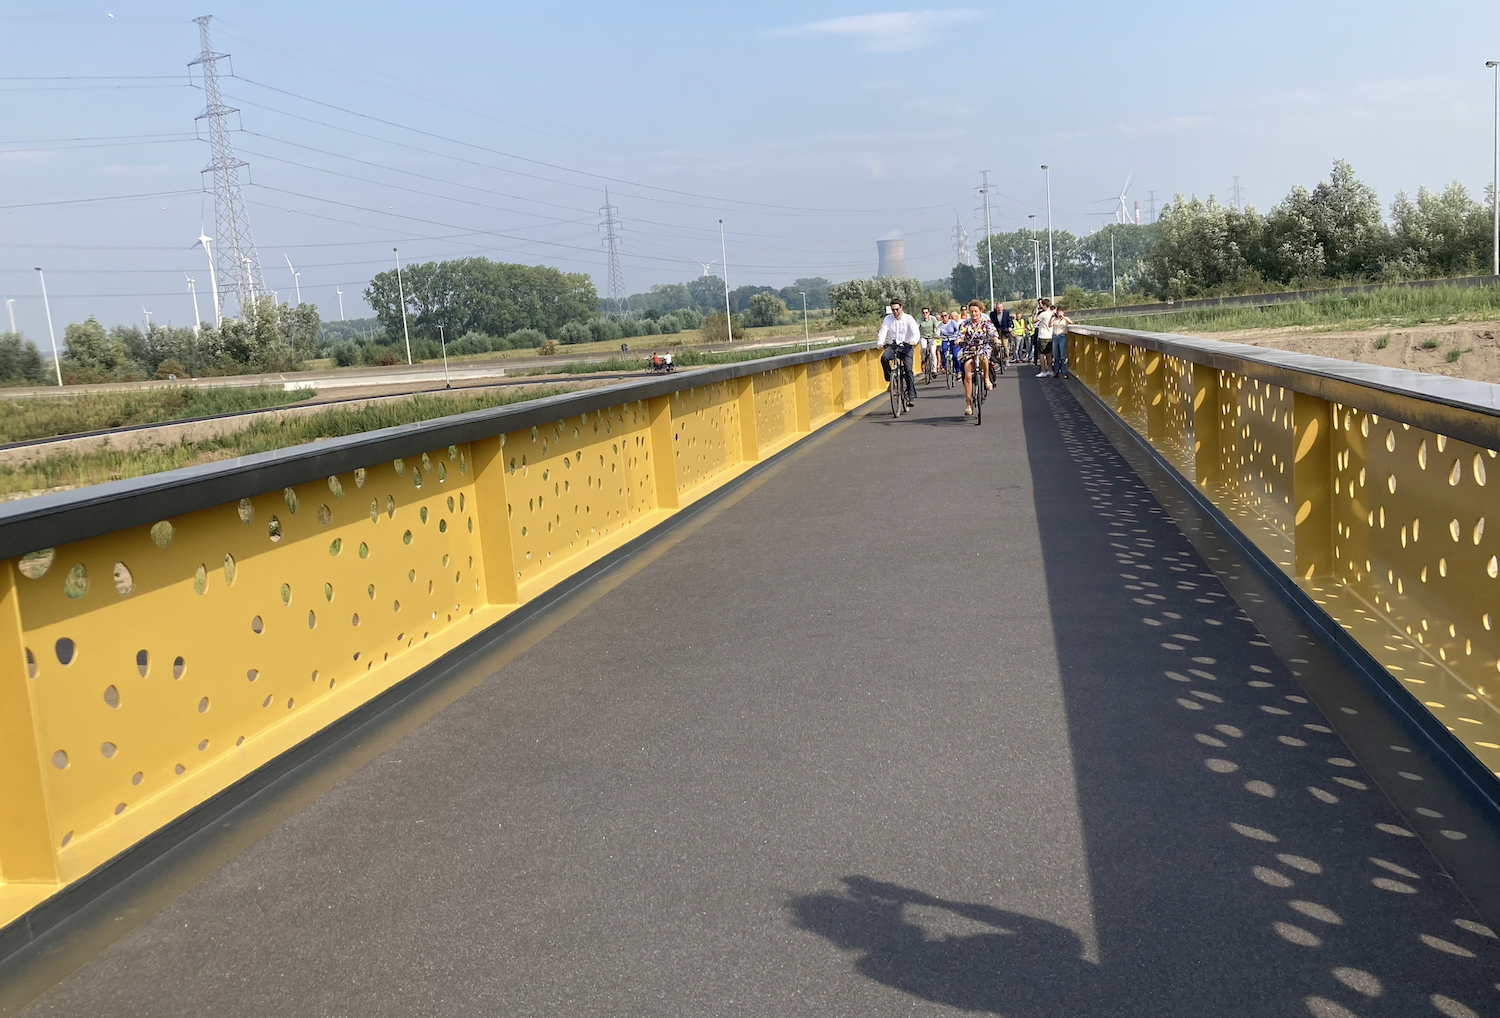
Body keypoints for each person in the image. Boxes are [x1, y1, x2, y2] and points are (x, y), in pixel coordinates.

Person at [876, 297, 919, 407]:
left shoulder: (908, 318)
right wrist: (880, 343)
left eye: (897, 309)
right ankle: (892, 380)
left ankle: (911, 396)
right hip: (893, 345)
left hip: (906, 346)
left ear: (901, 308)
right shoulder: (888, 319)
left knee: (908, 369)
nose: (895, 312)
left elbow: (915, 332)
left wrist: (913, 341)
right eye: (893, 310)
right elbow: (883, 332)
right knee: (884, 358)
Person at [958, 299, 998, 416]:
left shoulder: (986, 322)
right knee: (968, 375)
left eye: (976, 311)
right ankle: (968, 404)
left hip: (982, 347)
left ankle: (986, 379)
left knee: (984, 357)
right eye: (971, 312)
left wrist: (995, 338)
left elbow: (992, 332)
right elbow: (961, 334)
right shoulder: (965, 323)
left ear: (981, 311)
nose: (974, 314)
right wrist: (959, 339)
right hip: (969, 349)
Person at [988, 300, 1012, 376]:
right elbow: (990, 323)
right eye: (998, 308)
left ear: (1003, 307)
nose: (999, 309)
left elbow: (1009, 321)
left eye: (1001, 308)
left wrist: (1010, 327)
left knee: (1005, 345)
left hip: (1004, 331)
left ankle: (1007, 359)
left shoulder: (1006, 313)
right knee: (995, 346)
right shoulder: (992, 314)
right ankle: (995, 358)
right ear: (996, 308)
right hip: (995, 331)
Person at [1034, 299, 1055, 377]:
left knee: (1042, 355)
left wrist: (1036, 313)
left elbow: (1034, 321)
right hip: (1050, 336)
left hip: (1042, 336)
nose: (1041, 306)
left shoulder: (1043, 314)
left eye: (1042, 305)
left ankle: (1043, 371)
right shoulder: (1053, 313)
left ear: (1045, 305)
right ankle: (1050, 370)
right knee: (1049, 354)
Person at [1051, 305, 1072, 379]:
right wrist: (1052, 317)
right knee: (1056, 355)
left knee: (1063, 355)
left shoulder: (1065, 319)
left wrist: (1062, 317)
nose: (1058, 313)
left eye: (1060, 311)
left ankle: (1065, 372)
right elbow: (1050, 325)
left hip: (1062, 336)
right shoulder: (1055, 319)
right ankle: (1056, 372)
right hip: (1055, 337)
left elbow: (1070, 322)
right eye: (1058, 312)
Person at [918, 307, 938, 378]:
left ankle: (934, 370)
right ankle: (923, 360)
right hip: (923, 337)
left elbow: (937, 327)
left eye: (926, 313)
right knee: (923, 347)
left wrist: (937, 334)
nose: (925, 314)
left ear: (929, 313)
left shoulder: (933, 319)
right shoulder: (920, 320)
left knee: (933, 353)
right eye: (923, 313)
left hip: (932, 337)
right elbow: (917, 327)